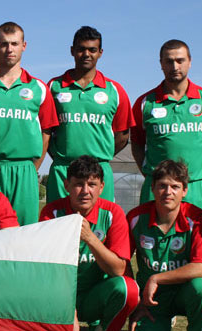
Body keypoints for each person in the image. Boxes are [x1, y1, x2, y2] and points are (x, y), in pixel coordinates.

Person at [39, 156, 139, 331]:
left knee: (129, 289)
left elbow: (118, 269)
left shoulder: (113, 213)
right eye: (78, 184)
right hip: (60, 296)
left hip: (95, 297)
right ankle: (54, 330)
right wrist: (69, 310)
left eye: (92, 184)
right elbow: (47, 270)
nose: (85, 191)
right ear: (66, 185)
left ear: (101, 187)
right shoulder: (52, 212)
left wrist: (90, 239)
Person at [127, 160, 202, 331]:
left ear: (184, 191)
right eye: (162, 185)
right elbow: (122, 263)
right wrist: (136, 301)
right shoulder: (135, 217)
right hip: (152, 301)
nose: (168, 192)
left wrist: (156, 278)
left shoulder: (196, 217)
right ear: (153, 188)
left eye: (175, 186)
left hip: (184, 293)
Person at [0, 22, 58, 225]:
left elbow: (46, 132)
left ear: (24, 45)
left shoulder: (39, 88)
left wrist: (33, 167)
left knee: (22, 232)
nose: (9, 49)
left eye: (14, 44)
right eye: (4, 44)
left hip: (23, 169)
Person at [131, 39, 202, 223]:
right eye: (169, 61)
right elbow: (136, 143)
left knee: (201, 247)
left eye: (180, 60)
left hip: (196, 188)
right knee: (151, 245)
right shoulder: (145, 102)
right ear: (161, 64)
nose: (175, 66)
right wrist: (152, 174)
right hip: (157, 189)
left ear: (190, 61)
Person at [47, 26, 133, 203]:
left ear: (100, 52)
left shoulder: (114, 91)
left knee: (99, 229)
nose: (86, 54)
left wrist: (99, 155)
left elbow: (122, 136)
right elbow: (45, 132)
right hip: (63, 170)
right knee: (59, 228)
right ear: (72, 51)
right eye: (81, 49)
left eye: (92, 50)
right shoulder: (53, 87)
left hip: (98, 171)